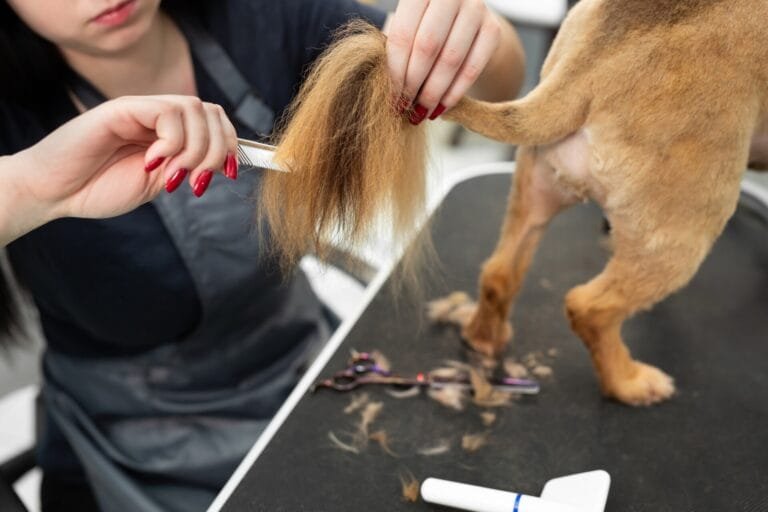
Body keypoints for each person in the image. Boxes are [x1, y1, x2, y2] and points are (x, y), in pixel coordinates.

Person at [0, 1, 525, 510]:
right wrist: (29, 186)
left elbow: (499, 86)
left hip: (300, 364)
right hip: (138, 440)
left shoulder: (259, 17)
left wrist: (473, 36)